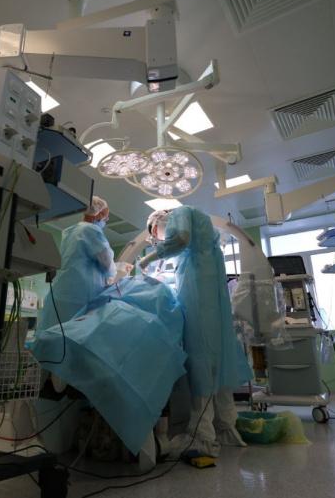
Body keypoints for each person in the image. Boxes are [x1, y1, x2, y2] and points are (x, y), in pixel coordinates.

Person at [140, 206, 252, 457]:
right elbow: (182, 244)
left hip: (199, 299)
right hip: (212, 298)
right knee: (218, 365)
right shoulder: (201, 234)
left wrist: (148, 259)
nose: (159, 239)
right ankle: (226, 428)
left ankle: (203, 439)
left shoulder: (181, 213)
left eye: (156, 234)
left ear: (160, 220)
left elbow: (180, 238)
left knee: (202, 364)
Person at [37, 196, 116, 332]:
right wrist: (116, 271)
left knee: (55, 334)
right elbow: (107, 263)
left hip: (61, 293)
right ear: (99, 214)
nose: (106, 220)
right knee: (75, 335)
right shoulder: (91, 230)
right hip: (80, 296)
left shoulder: (69, 231)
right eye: (106, 217)